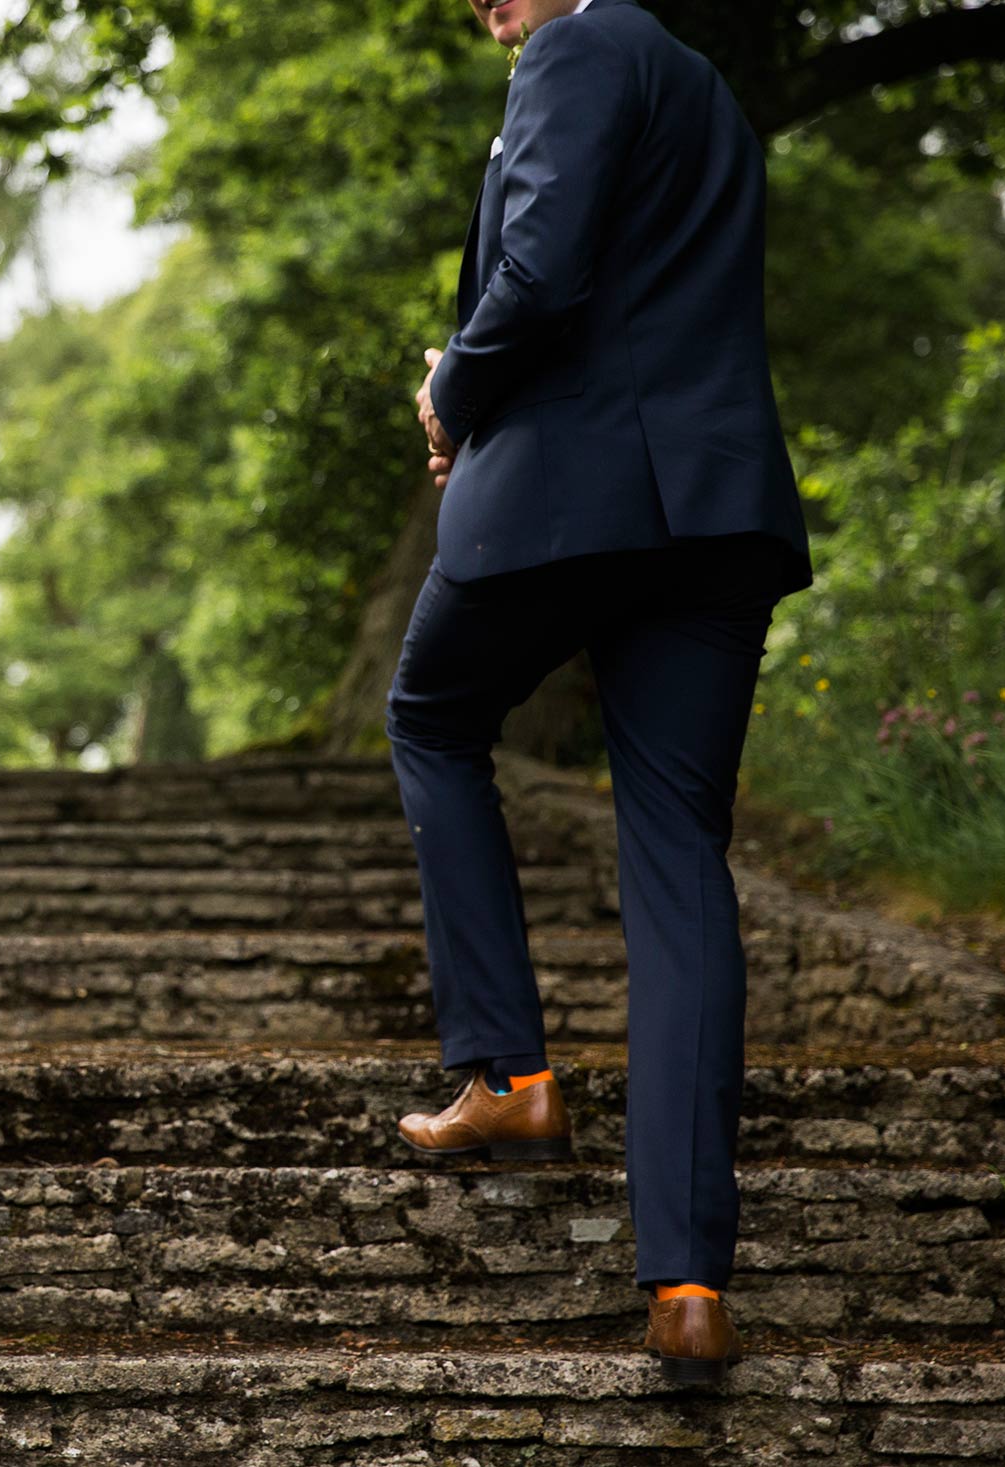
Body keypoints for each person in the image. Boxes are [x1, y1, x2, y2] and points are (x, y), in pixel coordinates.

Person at [394, 0, 813, 1385]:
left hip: (572, 501)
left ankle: (509, 1074)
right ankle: (690, 1282)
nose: (485, 8)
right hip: (715, 507)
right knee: (681, 860)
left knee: (434, 716)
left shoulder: (576, 48)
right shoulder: (708, 93)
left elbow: (547, 270)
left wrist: (456, 392)